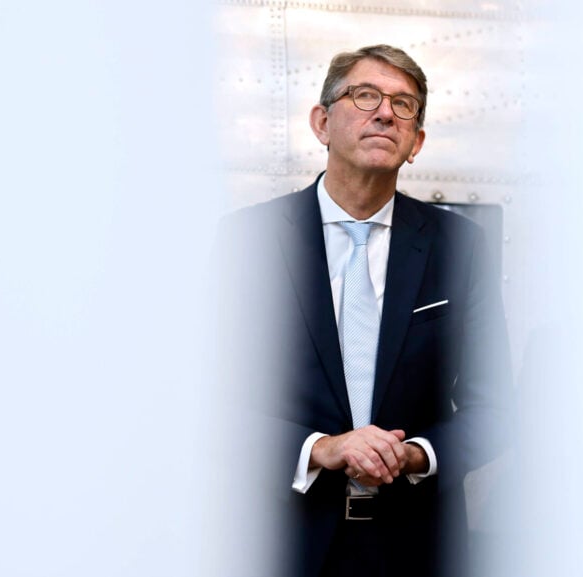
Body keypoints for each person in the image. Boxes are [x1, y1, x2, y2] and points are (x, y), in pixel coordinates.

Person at [217, 44, 512, 577]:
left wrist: (415, 454)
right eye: (365, 95)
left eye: (404, 105)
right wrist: (320, 449)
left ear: (416, 142)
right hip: (285, 542)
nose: (385, 113)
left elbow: (493, 409)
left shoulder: (459, 246)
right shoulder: (248, 239)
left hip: (417, 546)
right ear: (322, 123)